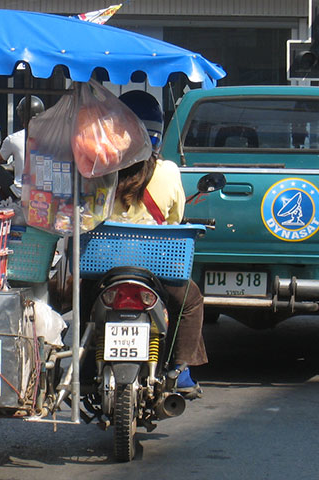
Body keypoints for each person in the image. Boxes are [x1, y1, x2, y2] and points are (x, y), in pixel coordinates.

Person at [112, 90, 207, 399]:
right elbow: (176, 218)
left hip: (102, 267)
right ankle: (180, 371)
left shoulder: (98, 168)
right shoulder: (167, 171)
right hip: (155, 270)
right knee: (190, 301)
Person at [0, 95, 45, 201]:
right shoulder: (52, 138)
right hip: (45, 193)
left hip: (20, 194)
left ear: (21, 116)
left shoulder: (14, 139)